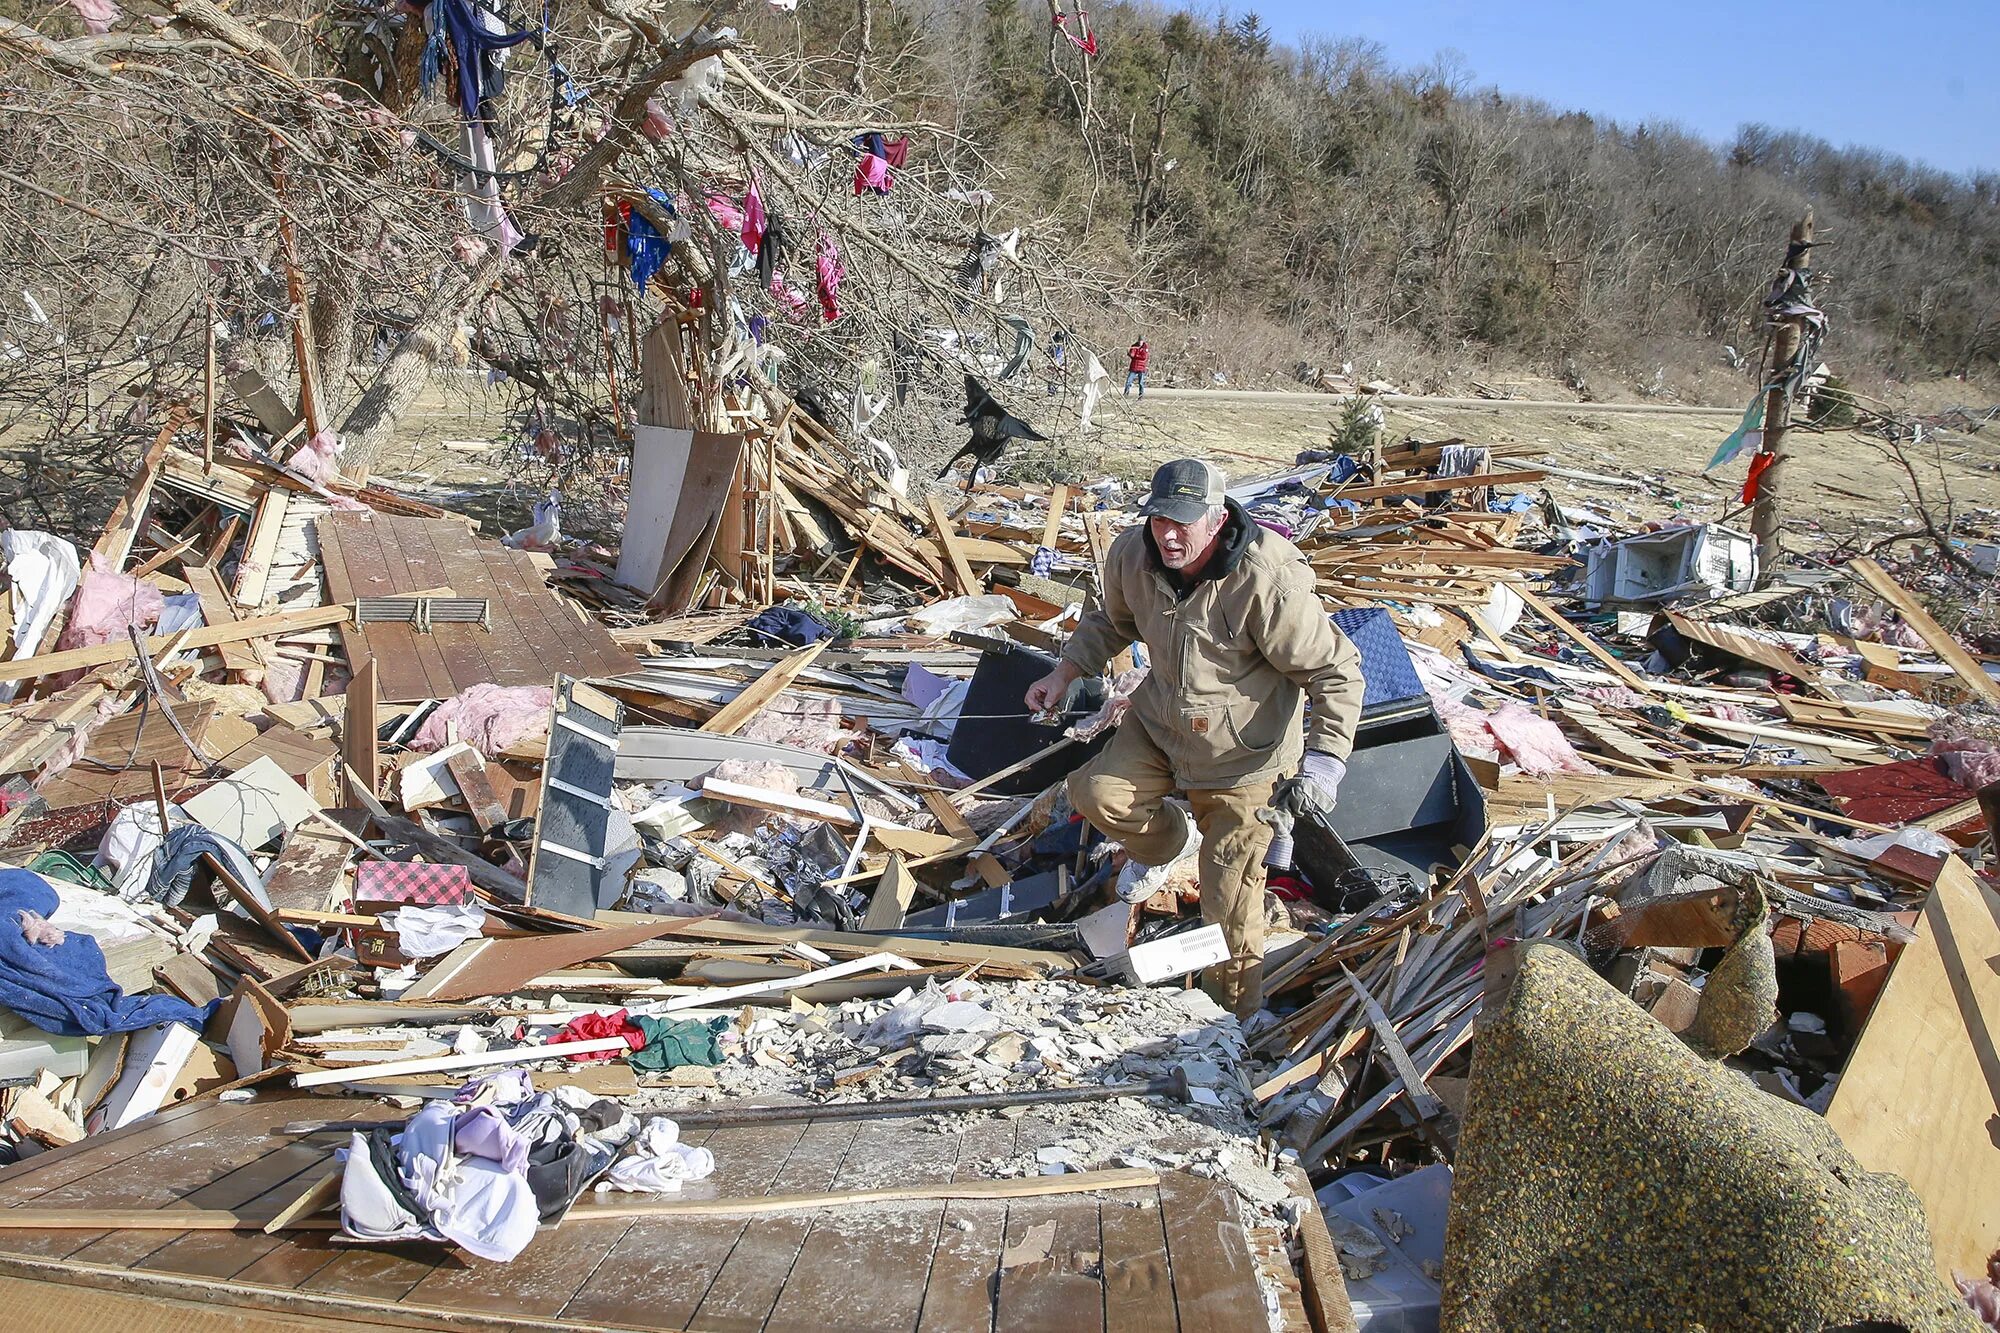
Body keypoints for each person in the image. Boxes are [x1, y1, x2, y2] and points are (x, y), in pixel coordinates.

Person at [1024, 459, 1364, 1019]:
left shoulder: (1266, 576)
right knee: (1095, 794)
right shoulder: (1133, 553)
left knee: (1228, 903)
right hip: (1161, 724)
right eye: (1160, 519)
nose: (1170, 534)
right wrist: (1063, 674)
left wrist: (1326, 762)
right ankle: (1167, 843)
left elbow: (1335, 671)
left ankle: (1228, 1023)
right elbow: (1110, 622)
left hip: (1245, 758)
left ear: (1217, 516)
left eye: (1183, 521)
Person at [1047, 329, 1067, 397]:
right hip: (1055, 360)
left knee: (1057, 376)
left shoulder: (1062, 344)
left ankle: (1053, 389)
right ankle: (1051, 390)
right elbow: (1051, 351)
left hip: (1059, 360)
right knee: (1053, 375)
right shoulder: (1054, 342)